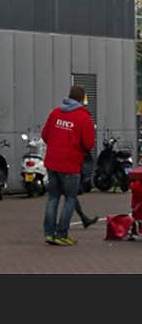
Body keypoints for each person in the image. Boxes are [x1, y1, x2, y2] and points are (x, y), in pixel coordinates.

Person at [41, 83, 96, 245]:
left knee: (53, 198)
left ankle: (49, 233)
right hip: (70, 165)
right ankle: (62, 234)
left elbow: (45, 135)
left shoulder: (55, 113)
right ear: (82, 98)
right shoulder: (83, 117)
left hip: (52, 162)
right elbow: (88, 144)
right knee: (70, 198)